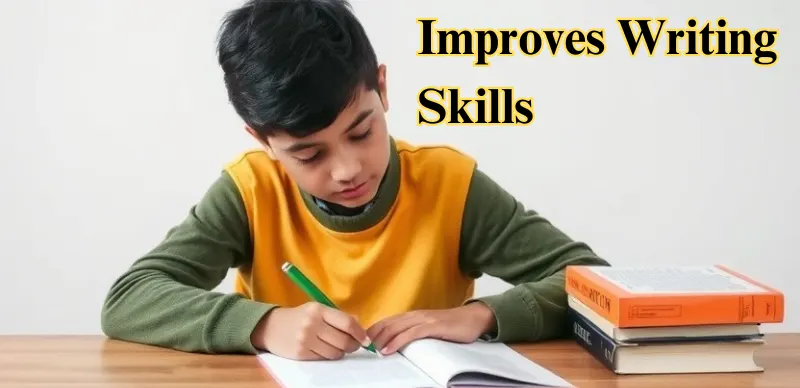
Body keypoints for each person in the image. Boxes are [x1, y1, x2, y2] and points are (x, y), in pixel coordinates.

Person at [100, 0, 609, 360]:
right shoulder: (250, 190)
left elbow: (595, 284)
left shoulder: (448, 184)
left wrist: (483, 316)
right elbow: (129, 299)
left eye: (362, 131)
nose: (347, 170)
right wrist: (262, 324)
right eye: (307, 153)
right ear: (263, 141)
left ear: (382, 89)